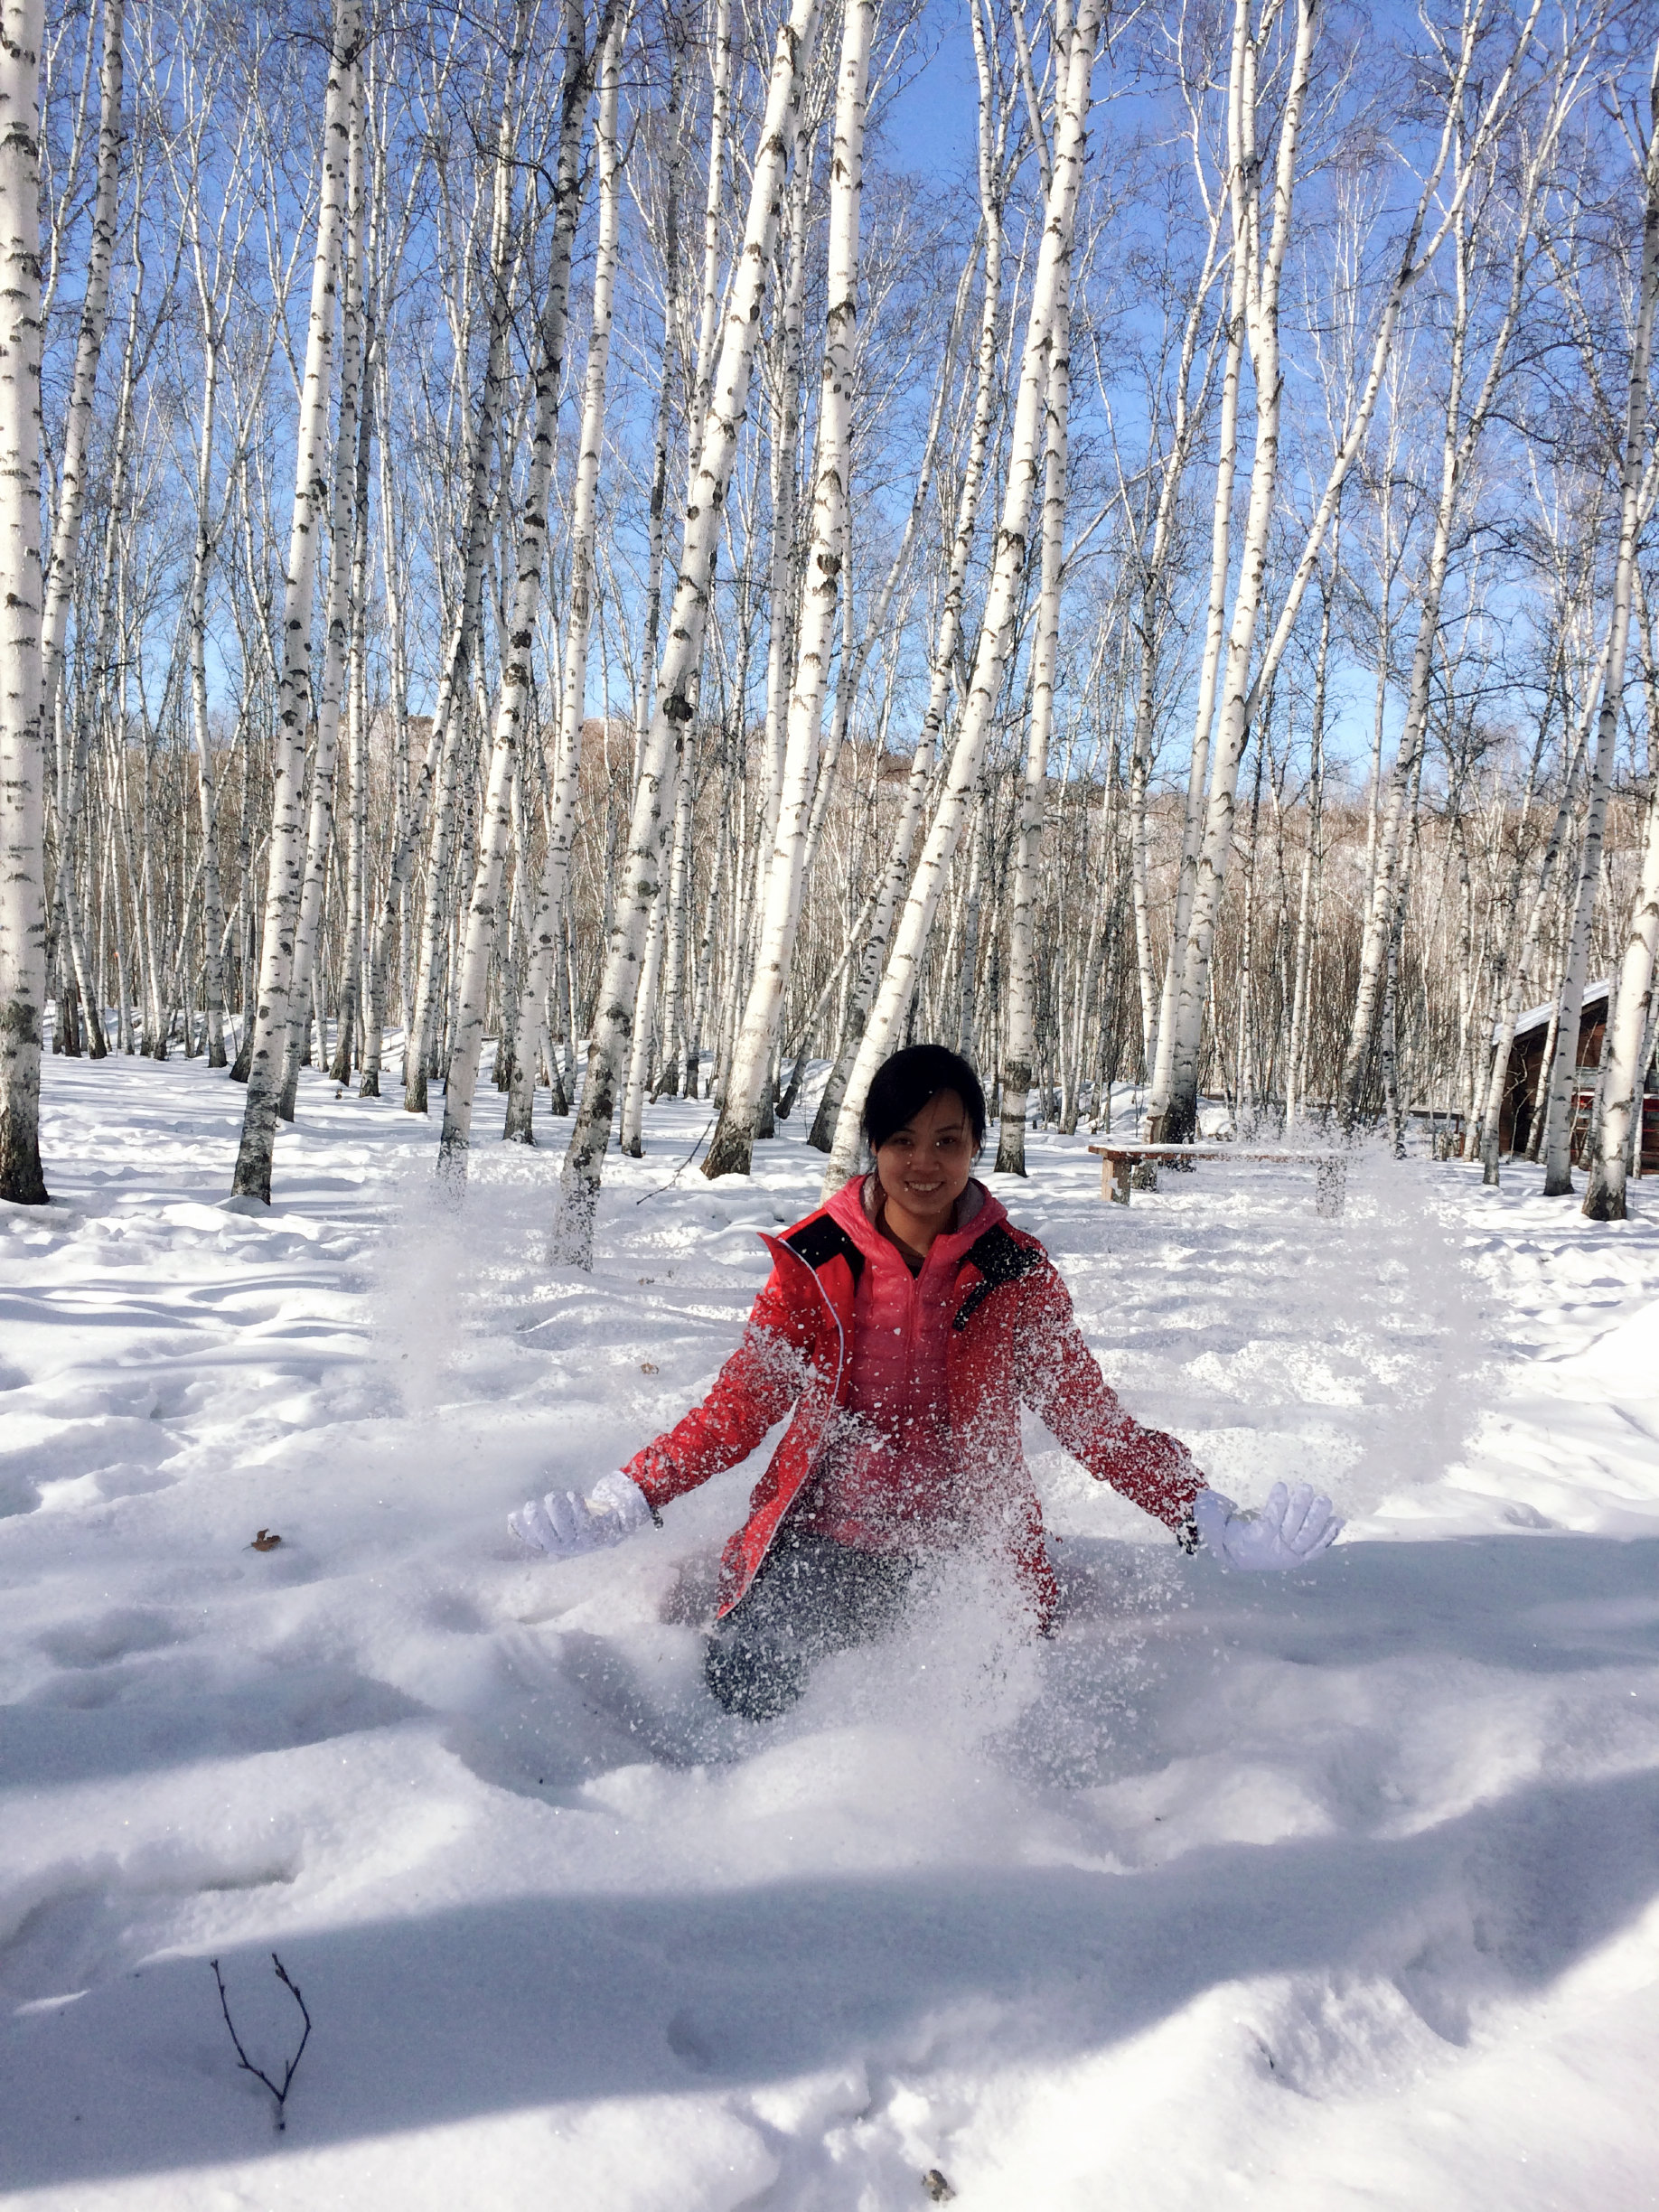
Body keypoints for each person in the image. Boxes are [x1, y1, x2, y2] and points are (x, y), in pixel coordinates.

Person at [511, 1045, 1340, 1719]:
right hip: (820, 1543)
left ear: (977, 1146)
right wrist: (624, 1498)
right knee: (745, 1698)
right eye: (903, 1139)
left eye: (948, 1139)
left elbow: (1092, 1425)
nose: (924, 1162)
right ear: (874, 1144)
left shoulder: (1014, 1275)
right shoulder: (816, 1265)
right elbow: (739, 1409)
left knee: (990, 1721)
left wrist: (1214, 1520)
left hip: (968, 1558)